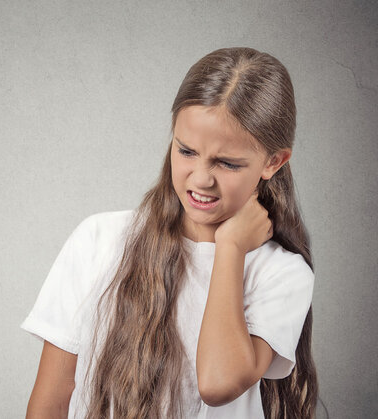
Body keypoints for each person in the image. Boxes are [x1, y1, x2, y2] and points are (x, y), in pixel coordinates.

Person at [20, 47, 317, 418]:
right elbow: (51, 399)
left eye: (227, 163)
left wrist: (231, 246)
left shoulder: (283, 274)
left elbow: (217, 382)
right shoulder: (98, 239)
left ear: (274, 162)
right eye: (187, 151)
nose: (201, 179)